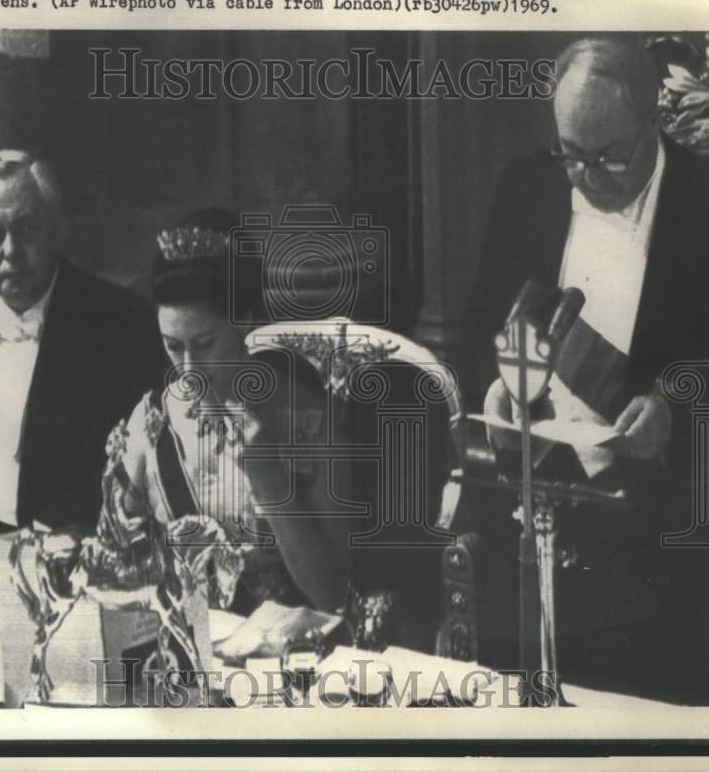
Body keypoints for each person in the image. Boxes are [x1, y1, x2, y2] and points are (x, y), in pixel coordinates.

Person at [461, 36, 709, 702]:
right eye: (571, 153)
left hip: (657, 533)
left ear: (651, 119)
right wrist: (498, 394)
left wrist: (675, 410)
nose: (586, 175)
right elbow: (474, 327)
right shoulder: (526, 186)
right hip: (529, 505)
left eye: (608, 157)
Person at [100, 208, 456, 646]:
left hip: (288, 665)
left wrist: (267, 477)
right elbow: (118, 571)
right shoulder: (153, 423)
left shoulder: (308, 422)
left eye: (206, 345)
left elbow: (328, 593)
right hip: (185, 656)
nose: (189, 370)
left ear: (245, 320)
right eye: (174, 347)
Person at [0, 149, 165, 554]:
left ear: (59, 230)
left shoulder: (120, 327)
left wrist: (28, 552)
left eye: (28, 229)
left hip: (55, 561)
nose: (10, 251)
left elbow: (125, 485)